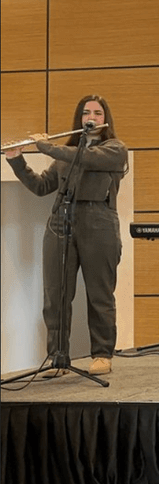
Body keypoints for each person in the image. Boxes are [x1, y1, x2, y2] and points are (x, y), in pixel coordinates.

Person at [4, 94, 128, 376]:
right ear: (79, 119)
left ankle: (102, 354)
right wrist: (17, 160)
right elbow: (40, 186)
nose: (91, 117)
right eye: (86, 113)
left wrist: (48, 147)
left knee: (100, 294)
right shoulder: (66, 155)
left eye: (97, 113)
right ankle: (58, 357)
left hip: (100, 223)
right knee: (55, 295)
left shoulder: (115, 148)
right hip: (60, 222)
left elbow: (86, 157)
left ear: (104, 118)